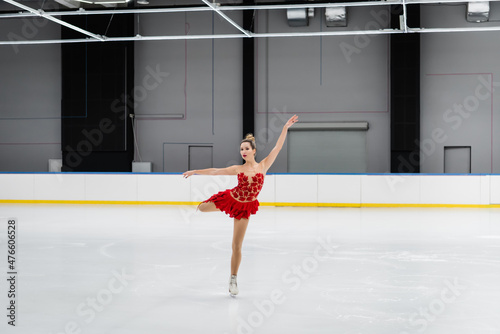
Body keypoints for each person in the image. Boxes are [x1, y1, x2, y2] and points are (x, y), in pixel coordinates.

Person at [182, 114, 298, 296]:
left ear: (254, 151)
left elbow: (278, 147)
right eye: (241, 149)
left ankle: (233, 279)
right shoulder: (239, 168)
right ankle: (204, 205)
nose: (243, 151)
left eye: (246, 148)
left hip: (244, 207)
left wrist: (285, 128)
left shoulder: (264, 166)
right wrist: (195, 171)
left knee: (236, 246)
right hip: (231, 199)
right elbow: (216, 171)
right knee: (202, 208)